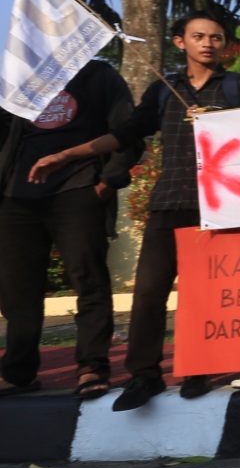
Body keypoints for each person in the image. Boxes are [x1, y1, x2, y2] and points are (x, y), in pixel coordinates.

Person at [28, 11, 240, 410]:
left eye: (216, 37)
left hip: (221, 207)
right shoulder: (163, 90)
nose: (208, 43)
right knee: (149, 292)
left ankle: (197, 370)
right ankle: (144, 375)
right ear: (179, 42)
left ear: (226, 45)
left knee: (204, 295)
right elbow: (124, 134)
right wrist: (65, 154)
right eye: (199, 36)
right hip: (168, 203)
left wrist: (228, 121)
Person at [0, 60, 138, 399]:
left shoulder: (97, 75)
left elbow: (129, 130)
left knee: (89, 280)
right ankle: (18, 374)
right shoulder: (18, 73)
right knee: (17, 293)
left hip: (79, 189)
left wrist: (107, 182)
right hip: (16, 196)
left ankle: (91, 366)